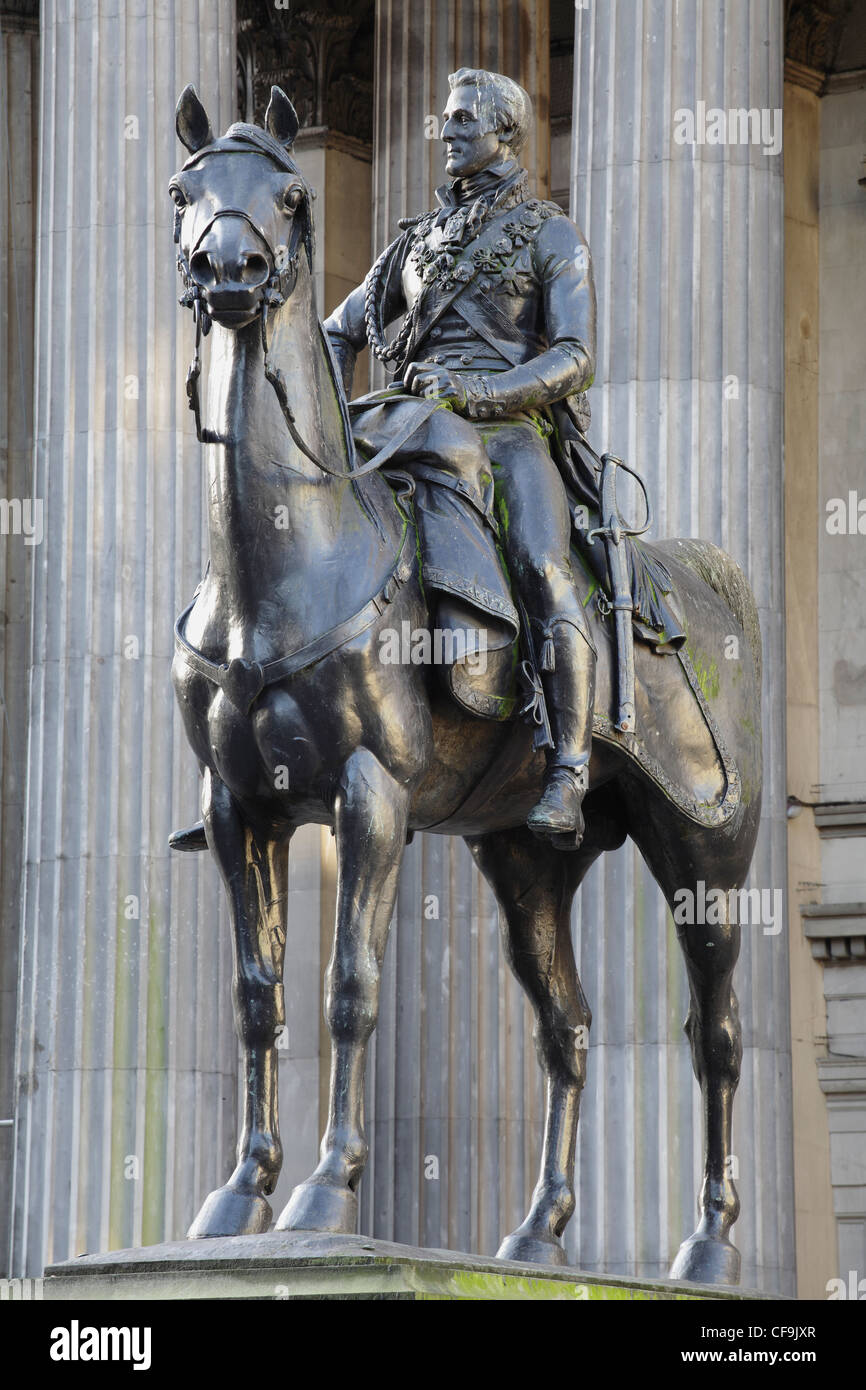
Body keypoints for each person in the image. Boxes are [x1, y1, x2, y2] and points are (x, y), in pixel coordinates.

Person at [325, 67, 598, 842]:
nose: (445, 133)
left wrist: (483, 396)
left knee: (544, 566)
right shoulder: (412, 242)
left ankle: (569, 767)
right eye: (445, 121)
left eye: (462, 121)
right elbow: (338, 334)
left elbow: (576, 356)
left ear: (505, 132)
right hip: (407, 426)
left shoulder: (550, 232)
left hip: (509, 433)